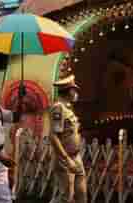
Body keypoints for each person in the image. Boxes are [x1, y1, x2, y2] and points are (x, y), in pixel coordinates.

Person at [50, 74, 87, 203]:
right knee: (66, 196)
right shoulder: (58, 108)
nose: (76, 92)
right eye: (74, 90)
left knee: (81, 192)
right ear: (69, 91)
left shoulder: (68, 108)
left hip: (75, 156)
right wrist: (66, 159)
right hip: (65, 158)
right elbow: (53, 136)